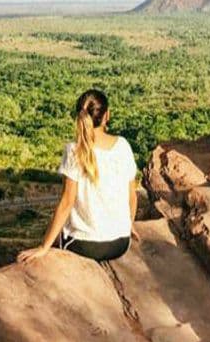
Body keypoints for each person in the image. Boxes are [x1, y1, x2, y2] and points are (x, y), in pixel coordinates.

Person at [18, 88, 138, 264]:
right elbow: (132, 197)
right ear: (107, 116)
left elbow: (66, 203)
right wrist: (127, 225)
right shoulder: (123, 146)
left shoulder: (74, 151)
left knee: (60, 235)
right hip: (120, 243)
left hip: (86, 246)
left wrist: (44, 247)